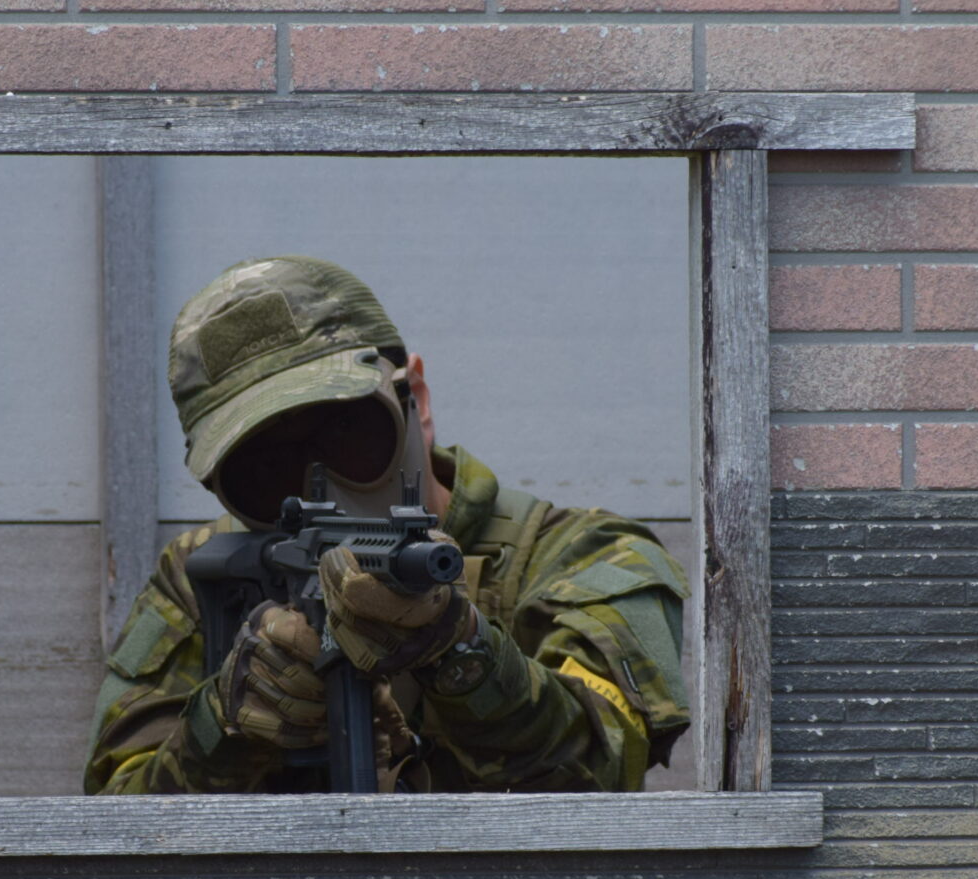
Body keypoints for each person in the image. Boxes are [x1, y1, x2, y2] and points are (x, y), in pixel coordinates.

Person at [84, 255, 690, 795]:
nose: (318, 487)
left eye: (346, 432)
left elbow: (603, 770)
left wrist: (460, 649)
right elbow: (118, 825)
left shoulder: (589, 558)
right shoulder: (202, 579)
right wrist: (226, 724)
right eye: (266, 468)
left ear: (415, 399)